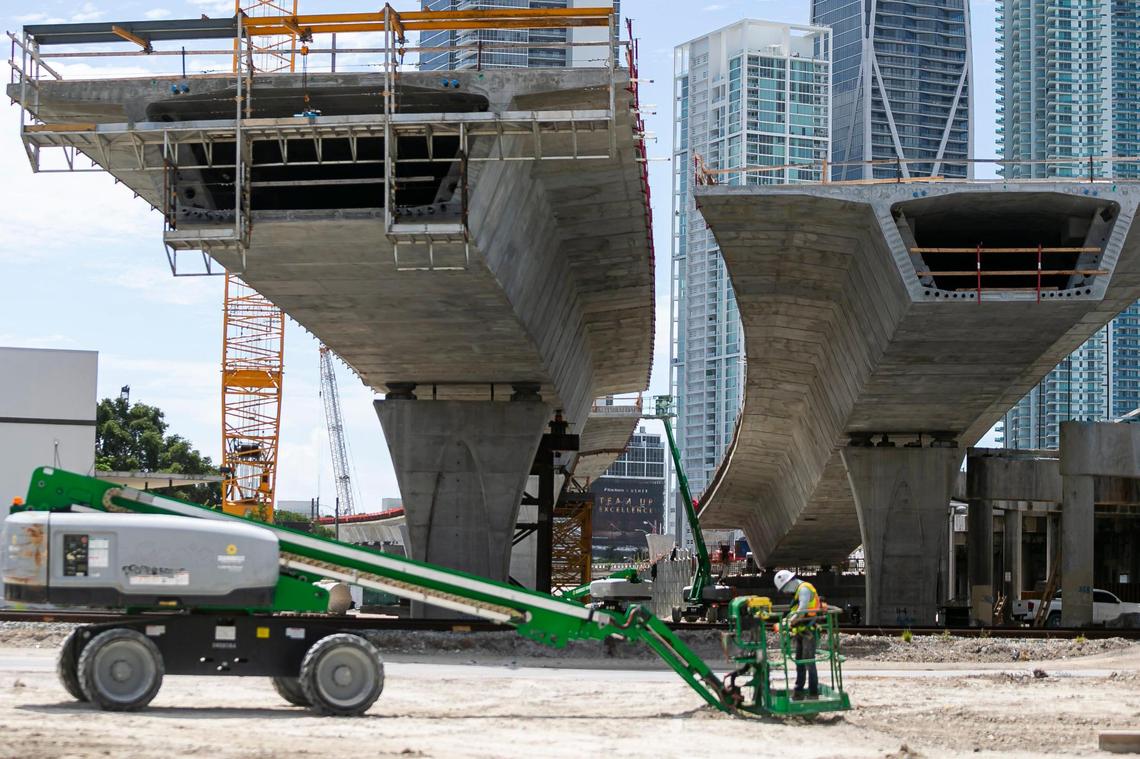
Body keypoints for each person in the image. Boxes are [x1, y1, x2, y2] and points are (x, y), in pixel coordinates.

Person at [773, 569, 821, 700]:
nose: (785, 592)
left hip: (808, 631)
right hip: (801, 630)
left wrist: (787, 623)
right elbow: (796, 611)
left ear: (789, 582)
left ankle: (813, 692)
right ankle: (798, 691)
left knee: (808, 661)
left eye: (784, 588)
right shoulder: (798, 592)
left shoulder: (804, 589)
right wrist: (787, 621)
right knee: (800, 661)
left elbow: (802, 610)